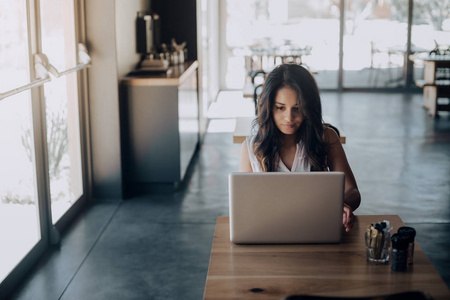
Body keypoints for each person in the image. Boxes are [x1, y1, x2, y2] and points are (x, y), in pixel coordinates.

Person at [239, 63, 361, 232]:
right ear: (268, 107)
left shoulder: (326, 137)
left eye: (297, 108)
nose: (289, 117)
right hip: (268, 232)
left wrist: (342, 204)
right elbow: (244, 205)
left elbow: (352, 190)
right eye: (280, 108)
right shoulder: (251, 148)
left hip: (318, 229)